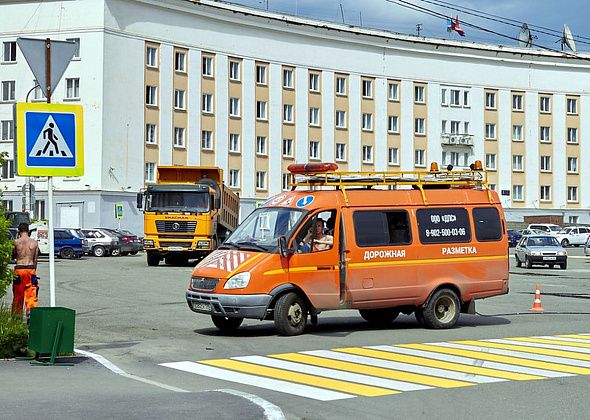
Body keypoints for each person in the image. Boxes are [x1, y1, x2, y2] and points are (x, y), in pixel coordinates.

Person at [12, 222, 39, 321]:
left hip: (19, 269)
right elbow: (35, 259)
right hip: (30, 269)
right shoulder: (34, 243)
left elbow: (13, 256)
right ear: (28, 231)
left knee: (18, 296)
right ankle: (31, 318)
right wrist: (34, 271)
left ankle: (16, 318)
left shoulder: (16, 242)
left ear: (19, 231)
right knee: (31, 295)